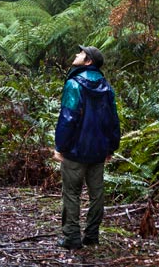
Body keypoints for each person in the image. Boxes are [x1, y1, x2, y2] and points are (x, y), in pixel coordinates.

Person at [53, 45, 120, 249]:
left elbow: (68, 118)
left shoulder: (74, 85)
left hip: (75, 151)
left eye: (81, 54)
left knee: (71, 193)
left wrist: (60, 147)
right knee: (96, 194)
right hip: (98, 151)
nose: (76, 55)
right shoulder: (106, 87)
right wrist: (111, 148)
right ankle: (92, 236)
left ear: (88, 61)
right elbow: (113, 121)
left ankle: (72, 238)